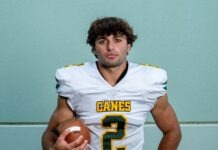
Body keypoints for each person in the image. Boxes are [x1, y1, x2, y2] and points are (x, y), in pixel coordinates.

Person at [42, 17, 182, 150]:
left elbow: (172, 130)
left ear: (129, 46)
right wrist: (53, 148)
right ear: (93, 48)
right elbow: (51, 133)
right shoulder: (75, 80)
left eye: (118, 40)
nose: (110, 47)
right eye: (102, 41)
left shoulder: (149, 80)